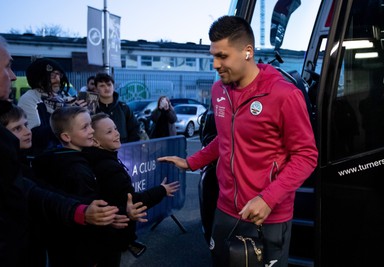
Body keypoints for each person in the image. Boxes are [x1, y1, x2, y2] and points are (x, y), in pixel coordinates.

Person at [158, 16, 318, 267]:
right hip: (225, 210)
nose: (215, 64)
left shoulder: (284, 95)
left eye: (222, 56)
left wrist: (268, 198)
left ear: (247, 52)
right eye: (213, 56)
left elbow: (306, 156)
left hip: (268, 215)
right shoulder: (218, 91)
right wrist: (191, 162)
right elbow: (225, 140)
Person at [0, 31, 122, 267]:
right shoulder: (25, 106)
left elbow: (26, 188)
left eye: (59, 74)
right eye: (7, 67)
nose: (12, 77)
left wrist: (78, 210)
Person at [32, 106, 145, 267]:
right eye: (85, 127)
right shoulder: (77, 171)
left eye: (90, 125)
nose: (92, 130)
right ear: (66, 136)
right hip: (81, 252)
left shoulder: (59, 159)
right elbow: (89, 214)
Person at [84, 112, 180, 264]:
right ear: (95, 141)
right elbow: (133, 202)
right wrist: (162, 190)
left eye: (115, 128)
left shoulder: (98, 159)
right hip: (110, 238)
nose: (117, 134)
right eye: (109, 132)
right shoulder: (108, 169)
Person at [17, 57, 83, 156]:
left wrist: (81, 113)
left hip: (67, 154)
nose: (57, 79)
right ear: (39, 79)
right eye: (52, 75)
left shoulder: (63, 97)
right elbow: (34, 136)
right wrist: (64, 116)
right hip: (44, 157)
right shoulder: (29, 98)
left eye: (59, 75)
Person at [94, 72, 142, 143]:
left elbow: (135, 128)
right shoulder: (92, 109)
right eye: (102, 86)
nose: (107, 88)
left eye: (109, 84)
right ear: (96, 89)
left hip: (123, 149)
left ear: (114, 86)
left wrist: (127, 146)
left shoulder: (124, 108)